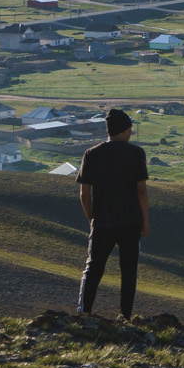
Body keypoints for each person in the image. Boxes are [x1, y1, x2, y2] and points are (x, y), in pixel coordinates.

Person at [76, 107, 149, 319]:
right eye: (130, 129)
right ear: (125, 130)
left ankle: (84, 311)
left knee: (93, 268)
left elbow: (84, 193)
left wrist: (92, 218)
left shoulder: (91, 153)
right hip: (130, 222)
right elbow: (141, 191)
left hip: (102, 223)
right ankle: (125, 316)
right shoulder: (136, 153)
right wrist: (145, 221)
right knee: (128, 271)